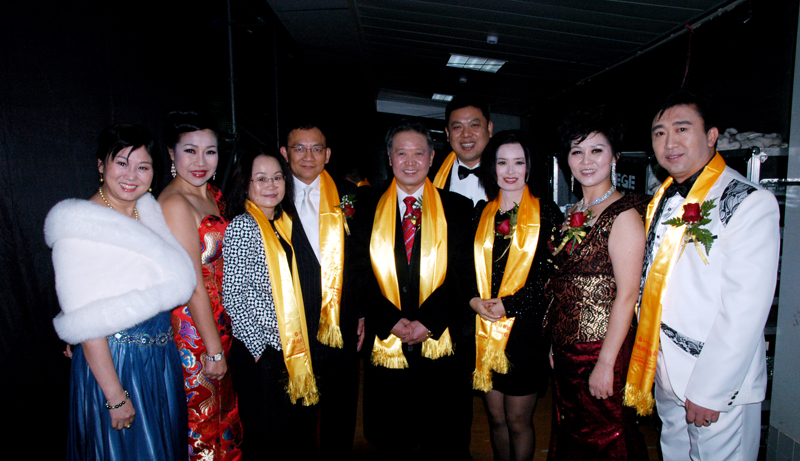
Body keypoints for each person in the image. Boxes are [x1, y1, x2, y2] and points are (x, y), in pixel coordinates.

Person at [624, 90, 780, 460]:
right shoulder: (662, 197)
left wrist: (711, 390)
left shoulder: (746, 200)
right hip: (665, 369)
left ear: (711, 136)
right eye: (660, 133)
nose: (669, 143)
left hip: (715, 381)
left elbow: (745, 309)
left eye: (682, 129)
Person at [46, 123, 195, 460]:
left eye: (143, 166)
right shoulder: (79, 226)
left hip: (160, 362)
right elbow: (87, 325)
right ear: (101, 165)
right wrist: (115, 397)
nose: (132, 175)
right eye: (122, 163)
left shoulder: (149, 210)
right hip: (117, 364)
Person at [354, 120, 474, 459]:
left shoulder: (458, 208)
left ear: (432, 157)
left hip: (440, 342)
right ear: (389, 157)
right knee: (393, 439)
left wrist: (429, 321)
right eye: (401, 153)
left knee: (444, 440)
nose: (410, 162)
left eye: (418, 153)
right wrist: (389, 320)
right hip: (387, 341)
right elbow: (357, 273)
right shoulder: (365, 207)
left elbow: (464, 274)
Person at [545, 107, 649, 460]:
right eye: (577, 151)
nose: (586, 161)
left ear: (615, 156)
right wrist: (556, 341)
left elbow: (628, 295)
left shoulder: (623, 215)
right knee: (573, 433)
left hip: (601, 348)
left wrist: (605, 363)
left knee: (607, 437)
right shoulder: (573, 212)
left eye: (597, 150)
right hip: (567, 348)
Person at [469, 131, 561, 461]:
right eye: (502, 162)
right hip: (485, 328)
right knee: (495, 419)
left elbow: (551, 278)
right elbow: (464, 269)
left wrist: (510, 304)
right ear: (491, 168)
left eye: (519, 162)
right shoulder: (481, 213)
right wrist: (473, 301)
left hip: (527, 332)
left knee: (518, 421)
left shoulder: (547, 213)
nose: (510, 171)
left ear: (529, 167)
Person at [222, 146, 319, 458]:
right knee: (266, 438)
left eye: (277, 177)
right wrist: (260, 351)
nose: (271, 185)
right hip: (262, 350)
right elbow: (234, 296)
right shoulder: (243, 225)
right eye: (261, 178)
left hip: (287, 346)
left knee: (289, 434)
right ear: (246, 184)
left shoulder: (283, 224)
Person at [158, 111, 242, 460]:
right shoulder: (174, 202)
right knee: (202, 426)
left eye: (210, 151)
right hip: (195, 332)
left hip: (221, 323)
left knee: (225, 419)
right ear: (171, 153)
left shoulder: (213, 193)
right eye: (190, 151)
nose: (201, 161)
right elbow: (191, 282)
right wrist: (213, 350)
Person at [279, 122, 365, 455]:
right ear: (285, 153)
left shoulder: (351, 196)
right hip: (291, 325)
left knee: (340, 412)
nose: (308, 156)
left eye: (316, 148)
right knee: (295, 415)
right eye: (299, 148)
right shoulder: (270, 194)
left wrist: (361, 313)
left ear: (327, 154)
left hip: (341, 322)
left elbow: (363, 260)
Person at [433, 95, 493, 206]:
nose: (466, 134)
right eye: (457, 127)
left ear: (489, 128)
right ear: (448, 133)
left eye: (474, 125)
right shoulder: (430, 177)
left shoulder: (509, 176)